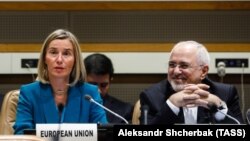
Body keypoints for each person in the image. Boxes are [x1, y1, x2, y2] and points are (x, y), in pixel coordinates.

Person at [13, 29, 107, 134]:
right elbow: (22, 136)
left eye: (66, 53)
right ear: (45, 58)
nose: (59, 59)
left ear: (75, 60)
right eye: (53, 52)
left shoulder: (90, 94)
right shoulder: (29, 93)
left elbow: (103, 134)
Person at [140, 40, 244, 124]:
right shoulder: (152, 96)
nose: (175, 71)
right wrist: (172, 105)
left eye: (184, 66)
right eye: (172, 65)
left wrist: (218, 106)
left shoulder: (225, 93)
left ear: (203, 71)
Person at [84, 53, 133, 124]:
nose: (98, 91)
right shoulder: (69, 105)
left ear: (110, 81)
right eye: (92, 85)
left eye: (103, 85)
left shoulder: (124, 111)